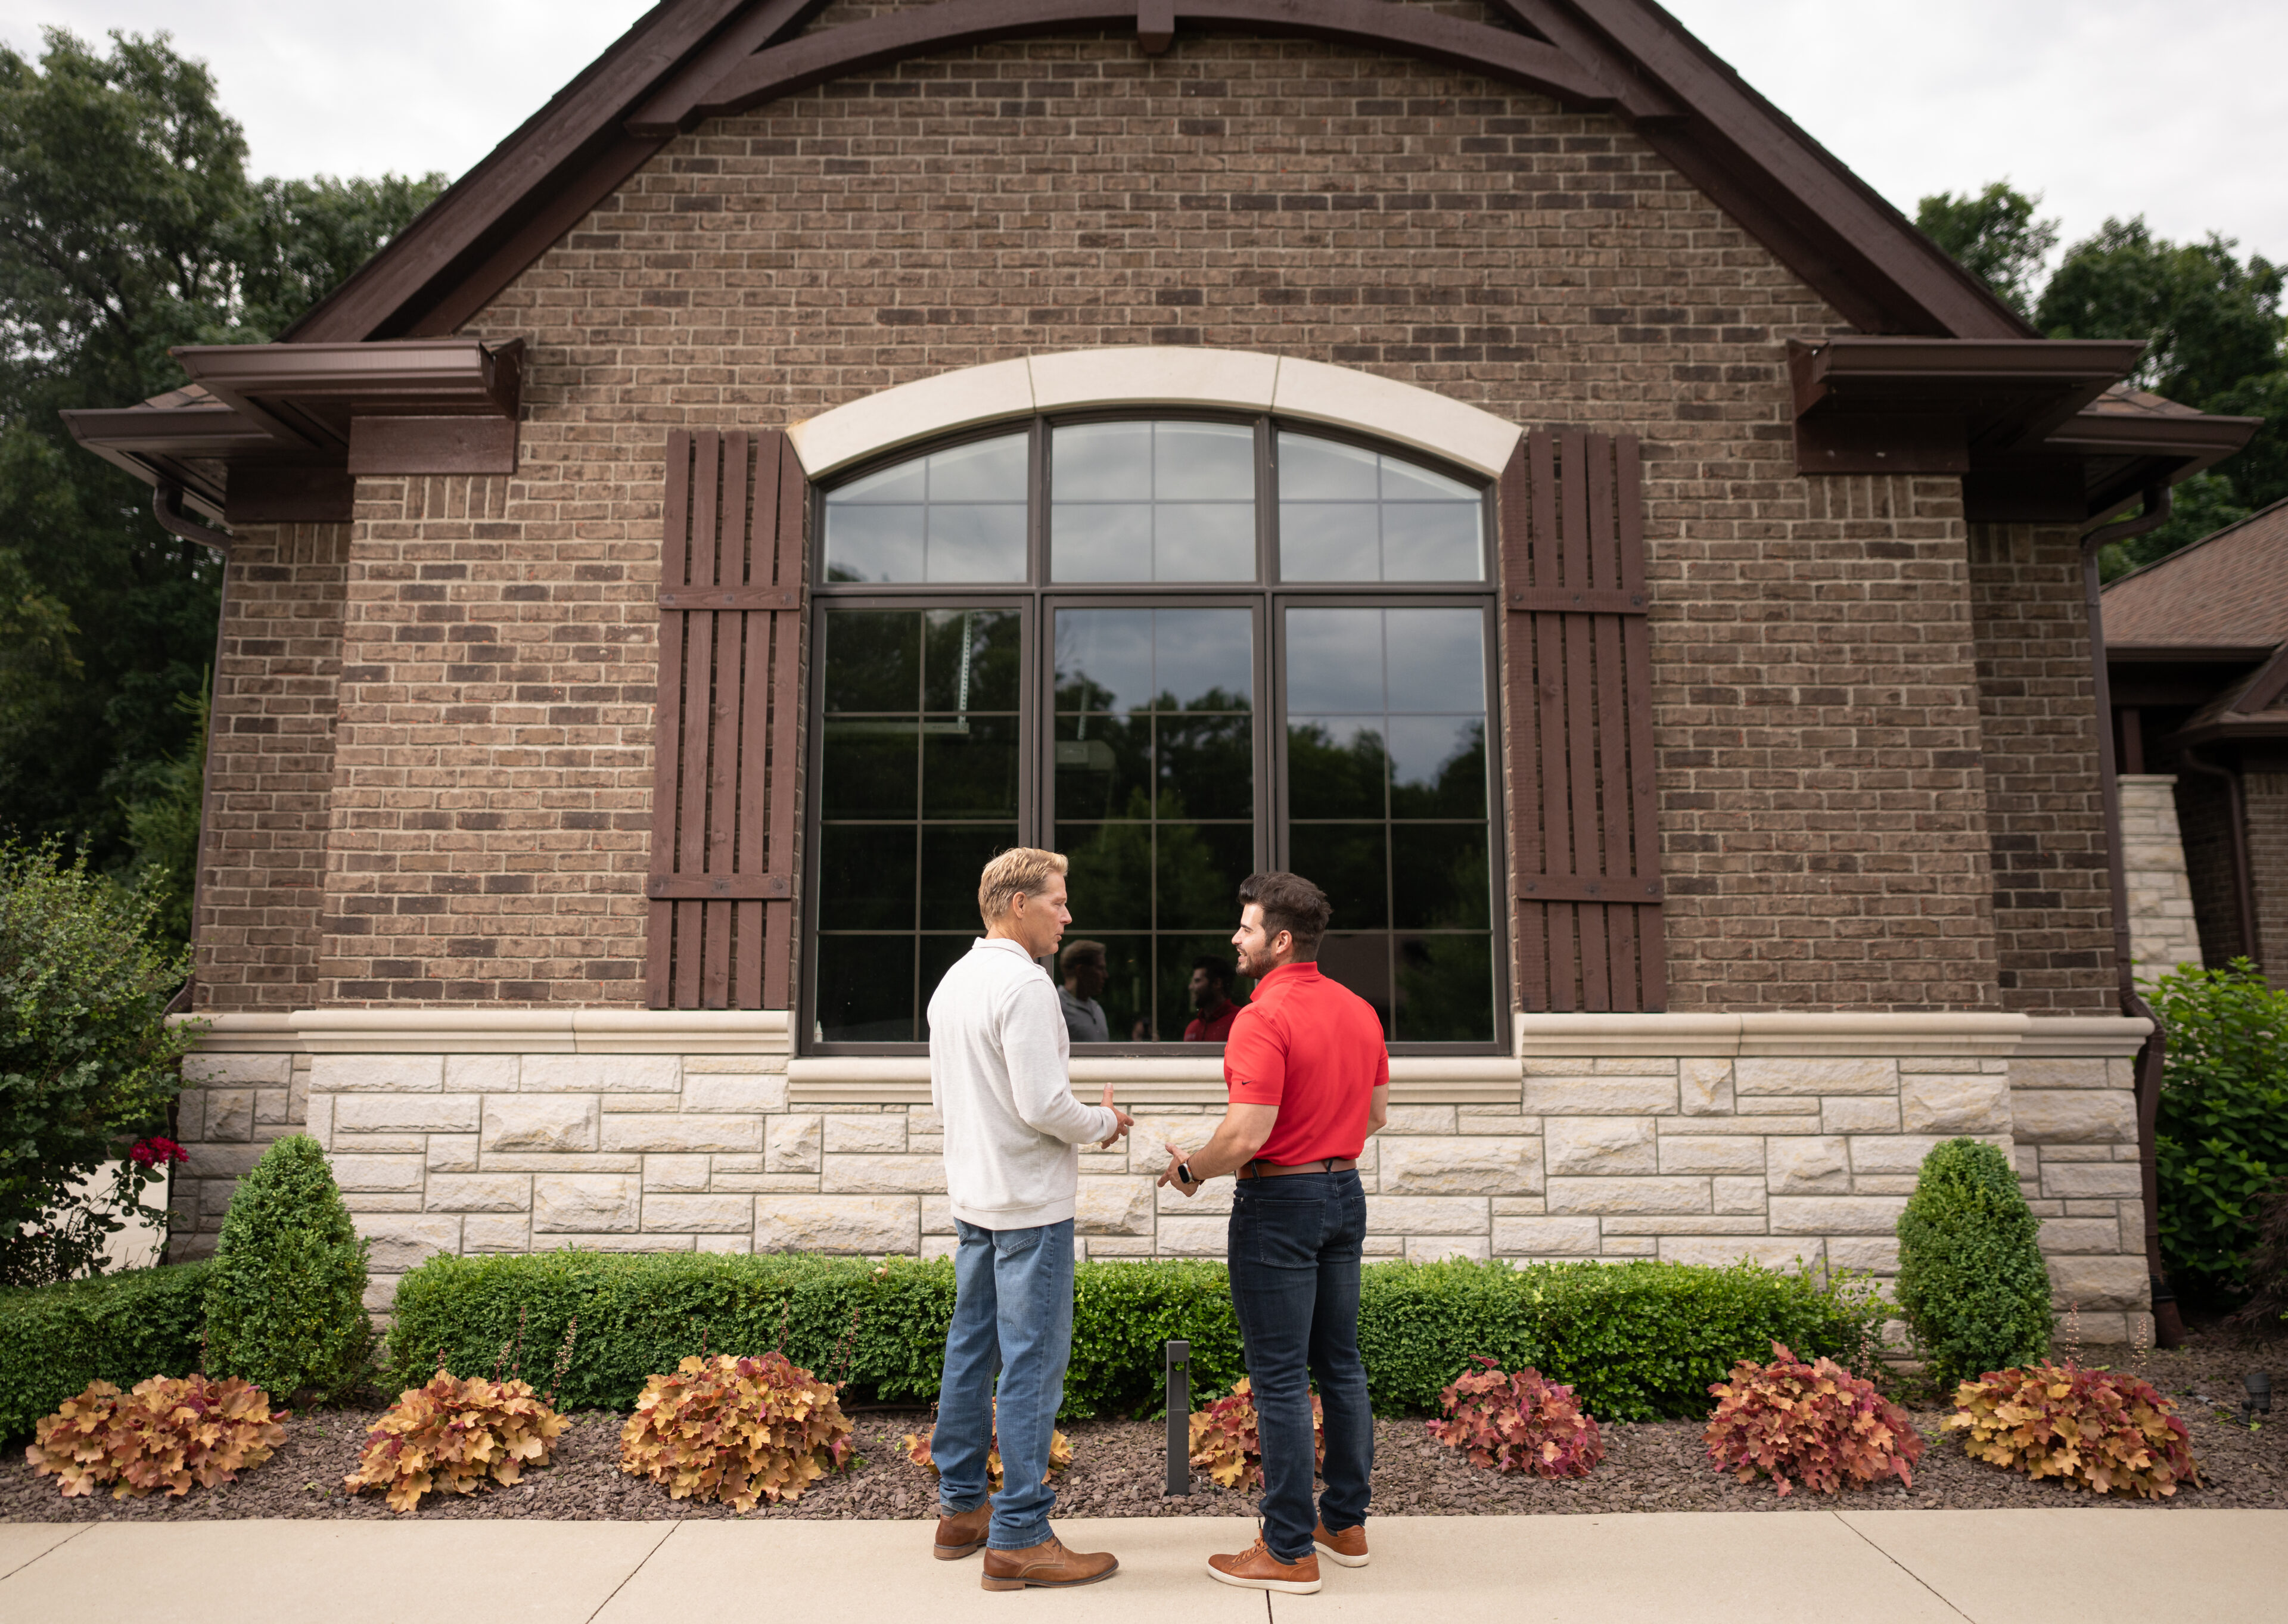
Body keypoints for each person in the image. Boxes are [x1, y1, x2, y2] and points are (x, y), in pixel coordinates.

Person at [1158, 871, 1387, 1595]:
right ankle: (1343, 1523)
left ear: (1280, 940)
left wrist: (1191, 1166)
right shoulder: (1359, 1010)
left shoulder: (1260, 1016)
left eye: (1247, 927)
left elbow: (1249, 1133)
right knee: (1341, 1364)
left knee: (1282, 1377)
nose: (1236, 937)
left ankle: (1288, 1548)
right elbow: (1375, 1115)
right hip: (1343, 1192)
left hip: (1279, 1203)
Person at [927, 849, 1134, 1591]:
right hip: (1029, 1208)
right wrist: (1107, 1120)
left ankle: (962, 1511)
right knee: (1032, 1365)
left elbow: (950, 1103)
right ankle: (1019, 1535)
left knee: (971, 1347)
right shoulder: (1025, 985)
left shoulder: (955, 981)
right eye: (1057, 899)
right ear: (1017, 904)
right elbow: (1045, 1105)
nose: (1067, 913)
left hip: (976, 1199)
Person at [1057, 938, 1110, 1044]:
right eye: (1100, 968)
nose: (1106, 975)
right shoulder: (1056, 1007)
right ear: (1080, 970)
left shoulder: (1097, 1009)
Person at [1182, 955, 1240, 1042]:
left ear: (1217, 983)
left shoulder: (1239, 1020)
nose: (1191, 987)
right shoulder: (1193, 1028)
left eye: (1197, 981)